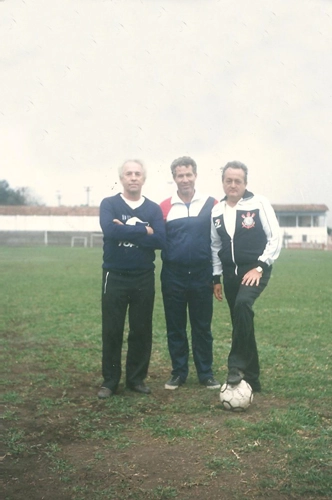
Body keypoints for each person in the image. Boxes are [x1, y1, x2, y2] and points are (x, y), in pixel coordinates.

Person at [211, 161, 281, 392]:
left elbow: (275, 237)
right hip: (230, 275)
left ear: (245, 183)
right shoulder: (216, 210)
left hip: (255, 271)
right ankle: (253, 379)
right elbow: (215, 246)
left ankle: (236, 365)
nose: (233, 185)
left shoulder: (258, 203)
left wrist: (260, 266)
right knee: (241, 320)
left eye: (237, 181)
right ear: (223, 182)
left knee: (243, 305)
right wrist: (216, 277)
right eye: (228, 180)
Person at [98, 159, 166, 399]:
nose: (133, 177)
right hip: (114, 276)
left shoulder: (153, 209)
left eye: (138, 173)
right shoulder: (109, 204)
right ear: (122, 178)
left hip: (143, 277)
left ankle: (136, 379)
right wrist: (143, 231)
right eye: (129, 174)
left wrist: (126, 229)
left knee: (141, 329)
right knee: (112, 329)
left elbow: (160, 240)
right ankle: (110, 381)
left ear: (143, 178)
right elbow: (110, 230)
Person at [160, 156, 220, 390]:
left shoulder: (211, 204)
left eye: (188, 175)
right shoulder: (164, 206)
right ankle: (178, 372)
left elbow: (216, 243)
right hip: (172, 276)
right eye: (179, 175)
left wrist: (216, 277)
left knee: (202, 326)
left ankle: (206, 373)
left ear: (195, 175)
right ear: (174, 178)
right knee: (175, 326)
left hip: (201, 274)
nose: (184, 180)